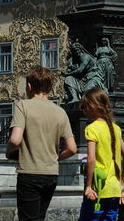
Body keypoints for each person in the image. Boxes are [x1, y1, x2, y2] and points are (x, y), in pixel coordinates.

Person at [7, 65, 78, 221]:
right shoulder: (60, 112)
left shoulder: (23, 106)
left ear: (29, 86)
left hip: (30, 173)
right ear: (50, 88)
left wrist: (9, 152)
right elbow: (72, 148)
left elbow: (15, 139)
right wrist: (56, 157)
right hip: (51, 174)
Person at [78, 88, 124, 221]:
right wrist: (123, 183)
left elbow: (91, 160)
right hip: (114, 188)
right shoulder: (115, 128)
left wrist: (89, 186)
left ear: (91, 106)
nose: (83, 110)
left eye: (84, 106)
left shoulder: (92, 128)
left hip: (98, 189)